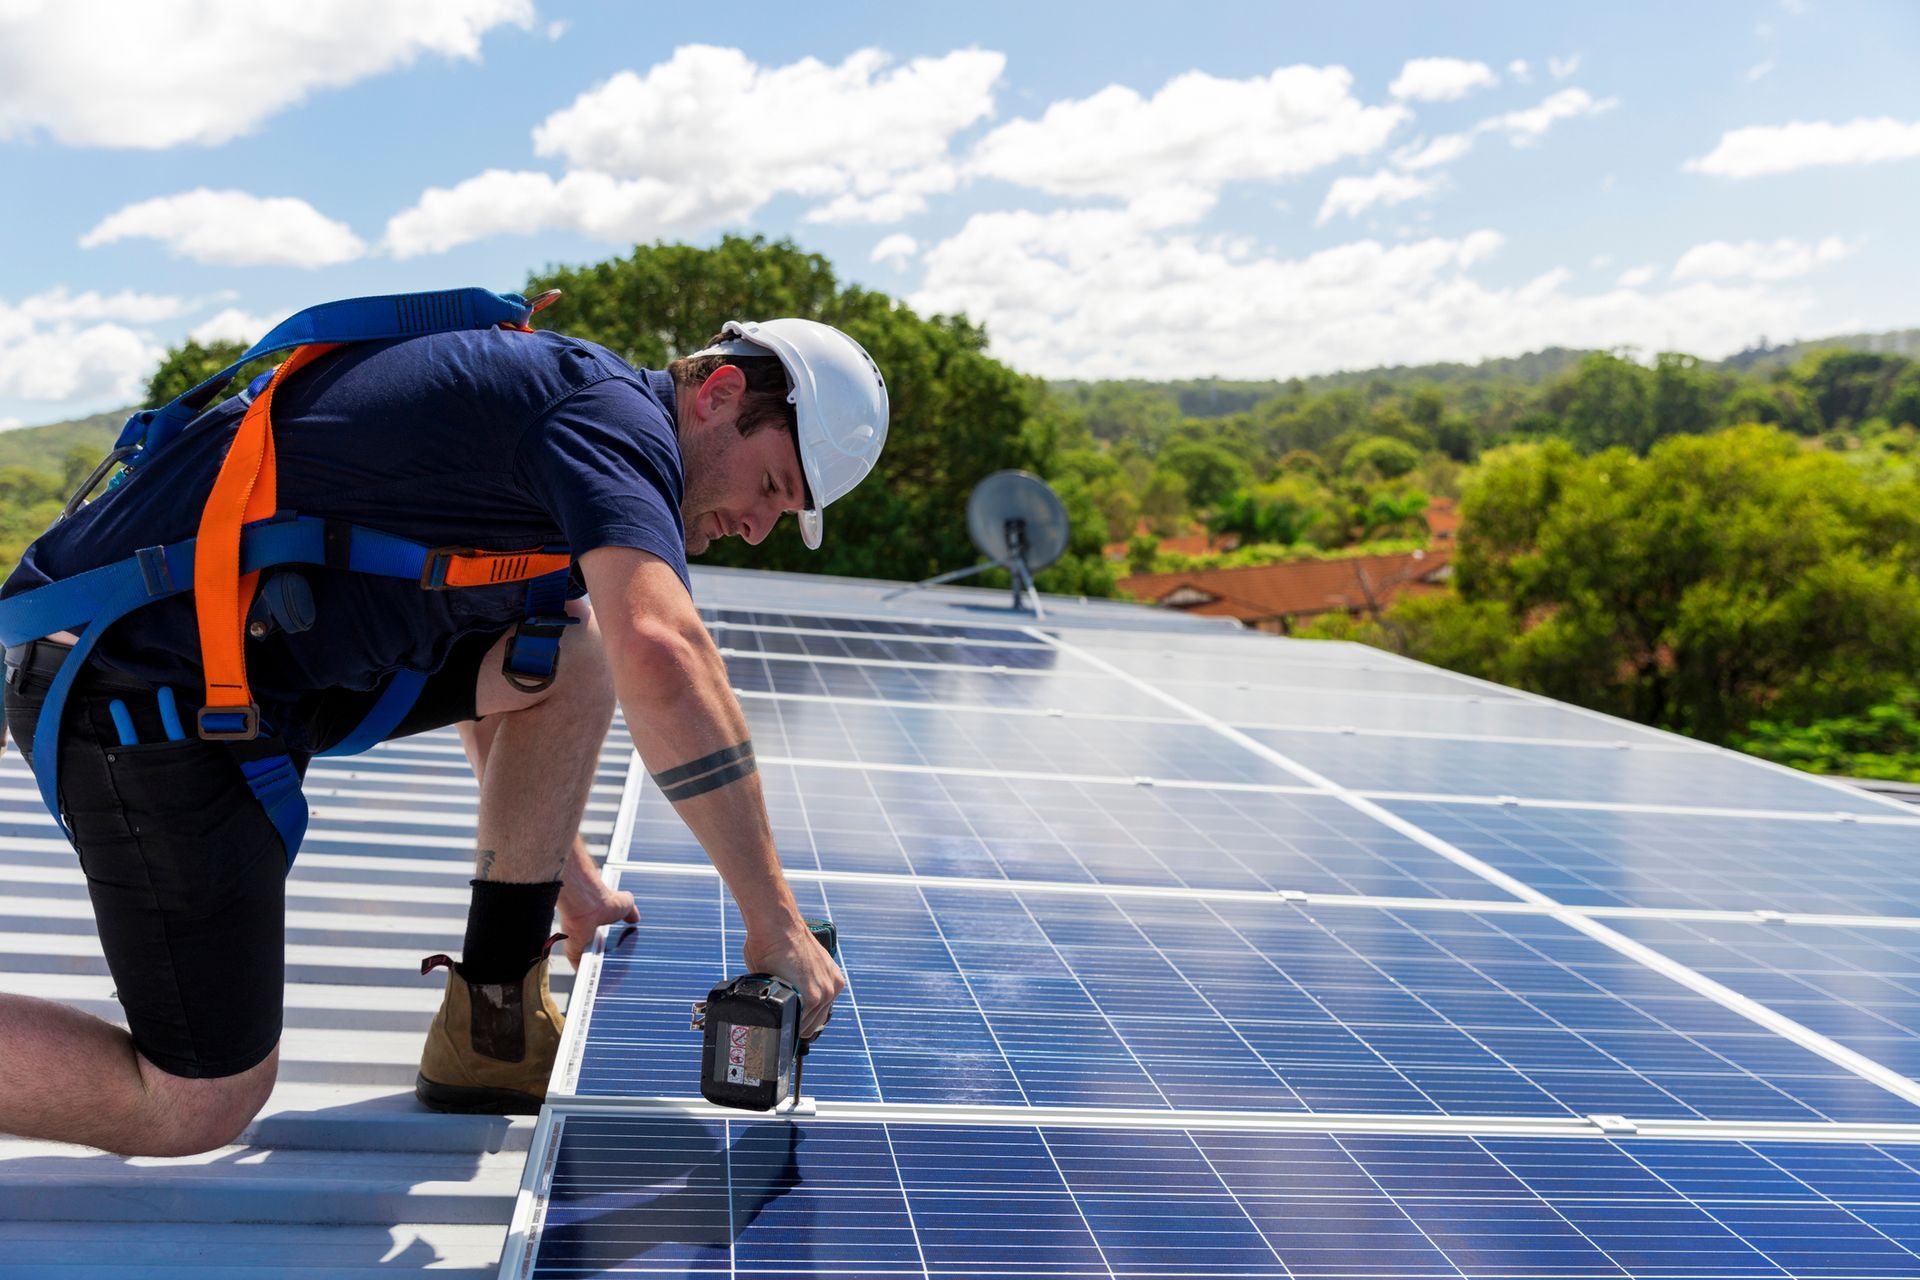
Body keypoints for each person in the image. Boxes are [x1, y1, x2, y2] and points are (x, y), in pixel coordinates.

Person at [0, 310, 886, 1155]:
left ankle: (489, 1018)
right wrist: (774, 922)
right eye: (771, 485)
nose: (758, 526)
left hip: (255, 675)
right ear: (719, 392)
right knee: (196, 1100)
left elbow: (511, 645)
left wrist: (566, 883)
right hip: (135, 687)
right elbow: (663, 647)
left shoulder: (577, 428)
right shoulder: (609, 423)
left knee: (567, 650)